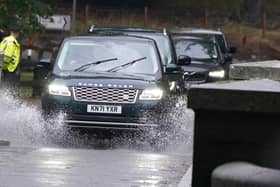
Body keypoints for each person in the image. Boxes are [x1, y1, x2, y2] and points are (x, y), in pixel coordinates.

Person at [0, 26, 21, 95]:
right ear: (17, 33)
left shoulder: (5, 40)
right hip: (9, 69)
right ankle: (8, 102)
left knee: (4, 86)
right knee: (9, 88)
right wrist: (4, 68)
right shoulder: (12, 42)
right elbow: (7, 57)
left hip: (4, 68)